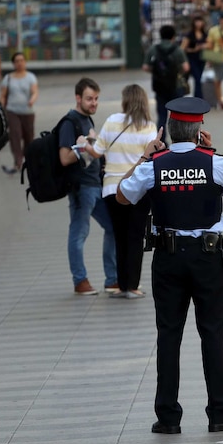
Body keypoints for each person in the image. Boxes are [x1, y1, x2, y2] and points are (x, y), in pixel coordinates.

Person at [117, 97, 223, 436]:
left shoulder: (154, 164)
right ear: (199, 129)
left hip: (168, 258)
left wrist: (146, 155)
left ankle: (168, 417)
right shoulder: (212, 161)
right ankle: (219, 412)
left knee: (169, 335)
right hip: (208, 257)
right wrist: (213, 152)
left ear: (169, 130)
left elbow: (122, 196)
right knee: (212, 333)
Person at [84, 85, 156, 299]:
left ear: (125, 101)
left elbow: (96, 152)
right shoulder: (149, 126)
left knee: (120, 236)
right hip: (138, 190)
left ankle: (121, 284)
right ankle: (133, 286)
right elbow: (151, 158)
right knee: (136, 236)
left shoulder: (112, 121)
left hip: (112, 189)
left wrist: (86, 142)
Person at [57, 78, 117, 296]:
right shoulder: (69, 122)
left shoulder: (86, 120)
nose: (94, 103)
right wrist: (84, 147)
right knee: (79, 231)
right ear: (78, 98)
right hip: (81, 187)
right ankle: (80, 280)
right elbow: (64, 158)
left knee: (112, 227)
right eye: (89, 99)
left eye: (96, 99)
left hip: (96, 185)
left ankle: (113, 279)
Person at [144, 25, 189, 134]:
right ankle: (180, 138)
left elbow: (145, 67)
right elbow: (186, 67)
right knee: (178, 115)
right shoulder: (177, 49)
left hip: (160, 86)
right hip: (176, 86)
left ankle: (161, 140)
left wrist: (157, 72)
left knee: (162, 116)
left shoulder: (153, 49)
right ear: (173, 36)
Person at [0, 52, 38, 174]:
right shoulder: (8, 78)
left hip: (28, 112)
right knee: (15, 135)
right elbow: (3, 95)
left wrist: (32, 99)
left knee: (28, 137)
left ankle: (28, 160)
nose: (19, 63)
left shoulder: (30, 77)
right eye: (17, 61)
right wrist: (1, 107)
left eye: (22, 60)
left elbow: (35, 91)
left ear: (25, 62)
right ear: (13, 63)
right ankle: (18, 162)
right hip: (12, 111)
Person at [181, 16, 208, 99]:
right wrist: (193, 49)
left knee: (199, 78)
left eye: (200, 21)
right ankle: (199, 98)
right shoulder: (190, 35)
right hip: (191, 59)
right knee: (197, 78)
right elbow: (182, 48)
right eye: (197, 22)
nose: (199, 24)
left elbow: (210, 44)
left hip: (201, 59)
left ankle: (198, 97)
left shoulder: (204, 34)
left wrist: (203, 46)